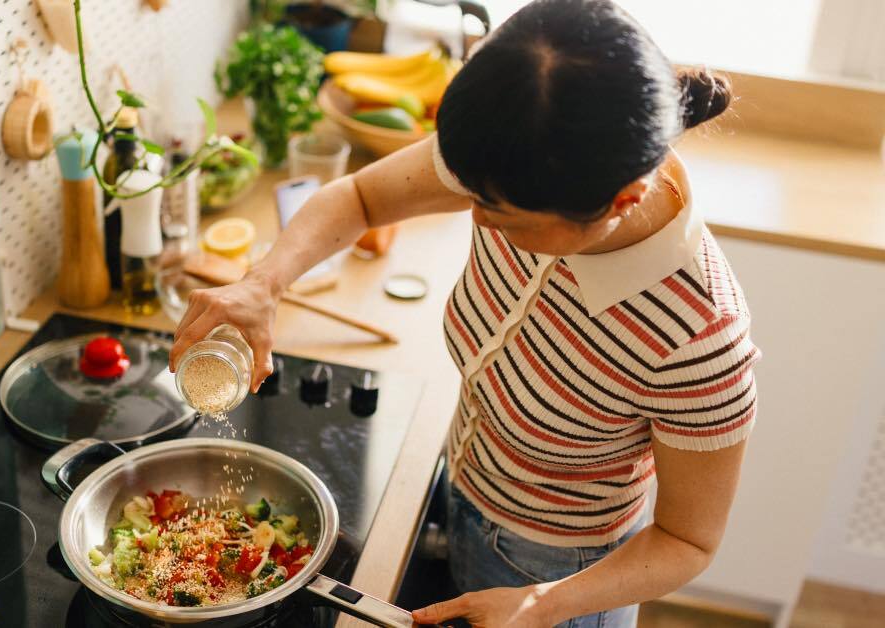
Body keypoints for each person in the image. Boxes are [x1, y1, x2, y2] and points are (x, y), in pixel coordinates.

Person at [170, 0, 760, 625]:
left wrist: (543, 602)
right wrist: (263, 283)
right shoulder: (518, 148)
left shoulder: (700, 340)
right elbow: (362, 197)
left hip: (560, 580)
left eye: (503, 216)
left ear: (621, 200)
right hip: (457, 489)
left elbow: (689, 541)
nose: (473, 215)